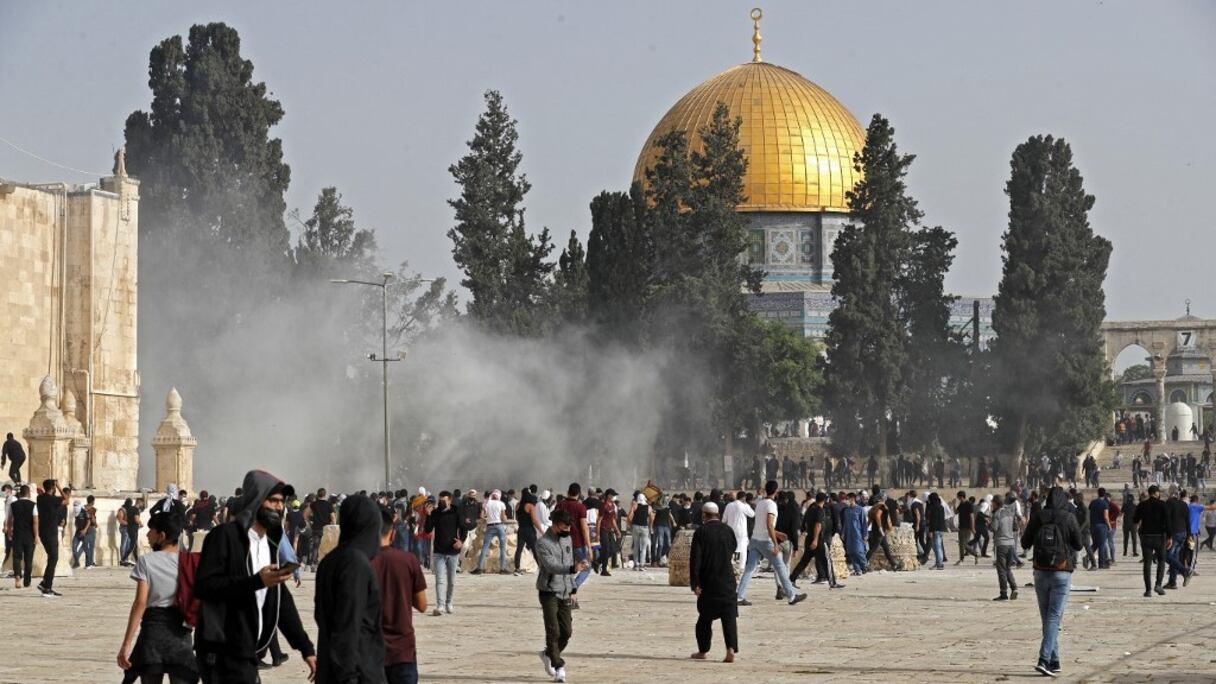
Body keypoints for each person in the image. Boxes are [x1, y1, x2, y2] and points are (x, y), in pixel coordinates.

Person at [193, 470, 316, 683]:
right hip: (222, 650)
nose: (280, 507)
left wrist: (305, 647)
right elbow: (205, 586)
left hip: (248, 650)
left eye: (282, 502)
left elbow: (280, 599)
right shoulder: (225, 536)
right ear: (256, 499)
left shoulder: (268, 543)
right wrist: (256, 582)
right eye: (274, 500)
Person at [116, 511, 199, 683]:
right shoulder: (190, 562)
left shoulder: (147, 561)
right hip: (181, 634)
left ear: (162, 536)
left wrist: (126, 644)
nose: (147, 535)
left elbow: (140, 603)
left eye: (151, 530)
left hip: (153, 632)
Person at [315, 494, 386, 684]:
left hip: (329, 670)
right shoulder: (356, 564)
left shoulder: (329, 562)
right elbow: (348, 627)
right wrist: (348, 677)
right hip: (357, 673)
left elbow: (320, 616)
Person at [1020, 486, 1083, 678]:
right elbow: (1079, 544)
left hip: (1040, 571)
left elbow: (1024, 543)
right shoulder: (1069, 517)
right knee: (1054, 617)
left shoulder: (1039, 516)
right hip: (1062, 571)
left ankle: (1054, 661)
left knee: (1047, 618)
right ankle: (1044, 659)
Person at [371, 505, 427, 684]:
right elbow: (422, 605)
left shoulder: (360, 562)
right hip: (403, 650)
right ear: (393, 533)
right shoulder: (408, 560)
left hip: (370, 651)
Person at [535, 508, 588, 683]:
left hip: (565, 591)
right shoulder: (542, 543)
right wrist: (573, 568)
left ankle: (548, 654)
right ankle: (559, 667)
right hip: (548, 592)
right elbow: (551, 566)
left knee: (566, 631)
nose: (568, 529)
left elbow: (569, 563)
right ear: (556, 524)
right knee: (553, 631)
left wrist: (573, 589)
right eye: (565, 526)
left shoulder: (568, 539)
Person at [735, 481, 806, 607]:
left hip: (755, 540)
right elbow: (768, 525)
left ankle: (739, 596)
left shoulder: (760, 503)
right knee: (781, 567)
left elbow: (763, 525)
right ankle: (791, 595)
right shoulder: (771, 505)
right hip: (765, 541)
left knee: (750, 569)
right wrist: (775, 543)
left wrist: (777, 533)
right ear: (776, 491)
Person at [688, 502, 738, 663]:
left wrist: (695, 583)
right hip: (728, 579)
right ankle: (730, 648)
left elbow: (695, 559)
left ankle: (703, 651)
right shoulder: (728, 530)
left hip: (708, 580)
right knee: (729, 617)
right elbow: (733, 548)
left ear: (704, 515)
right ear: (718, 514)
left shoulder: (701, 532)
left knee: (704, 619)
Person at [424, 491, 465, 615]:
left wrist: (461, 541)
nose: (441, 502)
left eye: (444, 500)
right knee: (440, 580)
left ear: (450, 500)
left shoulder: (456, 511)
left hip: (453, 551)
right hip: (439, 551)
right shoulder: (435, 513)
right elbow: (427, 529)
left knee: (451, 581)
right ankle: (440, 605)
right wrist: (428, 515)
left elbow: (464, 528)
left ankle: (449, 603)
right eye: (440, 500)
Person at [553, 483, 592, 590]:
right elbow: (584, 528)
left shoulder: (559, 505)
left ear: (568, 492)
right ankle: (572, 587)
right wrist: (589, 546)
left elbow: (554, 524)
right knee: (586, 567)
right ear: (579, 494)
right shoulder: (581, 507)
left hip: (560, 542)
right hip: (577, 543)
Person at [1133, 484, 1169, 597]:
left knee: (1147, 564)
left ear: (1149, 493)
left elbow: (1135, 519)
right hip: (1160, 537)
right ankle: (1158, 584)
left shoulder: (1142, 505)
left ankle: (1148, 590)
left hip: (1146, 537)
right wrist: (1170, 537)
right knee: (1161, 561)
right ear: (1157, 493)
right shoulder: (1163, 505)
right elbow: (1168, 522)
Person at [35, 478, 65, 597]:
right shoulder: (53, 499)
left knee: (51, 558)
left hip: (43, 532)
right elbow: (66, 500)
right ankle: (47, 587)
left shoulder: (40, 498)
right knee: (53, 558)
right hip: (51, 533)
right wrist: (59, 486)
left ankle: (45, 583)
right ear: (52, 488)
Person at [6, 484, 36, 589]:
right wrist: (36, 536)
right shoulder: (33, 505)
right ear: (28, 493)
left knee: (17, 557)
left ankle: (18, 577)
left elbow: (9, 520)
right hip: (29, 536)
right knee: (28, 558)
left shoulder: (13, 505)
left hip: (17, 534)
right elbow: (35, 522)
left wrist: (9, 532)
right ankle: (27, 580)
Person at [472, 489, 509, 575]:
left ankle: (479, 568)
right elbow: (503, 518)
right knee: (503, 548)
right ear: (499, 496)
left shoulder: (486, 503)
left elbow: (481, 516)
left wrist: (487, 518)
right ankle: (502, 569)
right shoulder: (501, 504)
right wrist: (504, 520)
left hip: (489, 526)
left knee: (485, 547)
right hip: (499, 526)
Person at [991, 495, 1019, 601]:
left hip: (1001, 544)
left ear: (996, 503)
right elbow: (1015, 527)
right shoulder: (1009, 512)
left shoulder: (997, 514)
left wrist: (991, 520)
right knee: (1007, 568)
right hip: (1011, 544)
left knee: (1001, 570)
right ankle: (1014, 588)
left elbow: (994, 528)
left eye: (992, 503)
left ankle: (1003, 593)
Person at [721, 491, 753, 571]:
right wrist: (746, 504)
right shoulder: (743, 506)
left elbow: (724, 519)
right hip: (741, 531)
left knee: (730, 548)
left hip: (730, 530)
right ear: (744, 498)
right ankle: (741, 567)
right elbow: (752, 514)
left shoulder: (729, 505)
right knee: (743, 549)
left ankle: (729, 565)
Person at [308, 488, 336, 570]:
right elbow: (333, 517)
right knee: (326, 546)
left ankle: (314, 564)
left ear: (317, 494)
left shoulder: (313, 504)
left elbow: (306, 514)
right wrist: (332, 527)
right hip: (326, 529)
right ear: (325, 494)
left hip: (316, 528)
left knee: (315, 546)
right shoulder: (328, 504)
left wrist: (309, 523)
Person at [594, 489, 620, 577]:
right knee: (605, 550)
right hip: (603, 529)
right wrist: (597, 534)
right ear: (608, 495)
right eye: (612, 495)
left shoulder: (613, 505)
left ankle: (597, 562)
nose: (613, 497)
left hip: (610, 530)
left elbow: (613, 520)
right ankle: (604, 569)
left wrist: (617, 530)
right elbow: (599, 520)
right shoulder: (603, 506)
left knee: (613, 550)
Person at [627, 493, 653, 570]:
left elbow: (629, 516)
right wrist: (650, 526)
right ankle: (642, 565)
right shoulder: (649, 507)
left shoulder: (635, 506)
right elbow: (651, 517)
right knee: (644, 547)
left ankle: (636, 565)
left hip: (635, 527)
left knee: (636, 546)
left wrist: (630, 525)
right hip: (645, 527)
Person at [73, 494, 98, 568]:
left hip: (83, 528)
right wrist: (96, 524)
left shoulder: (82, 508)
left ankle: (79, 560)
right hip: (90, 528)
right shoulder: (92, 509)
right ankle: (90, 562)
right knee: (90, 546)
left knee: (84, 545)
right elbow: (92, 519)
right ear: (93, 501)